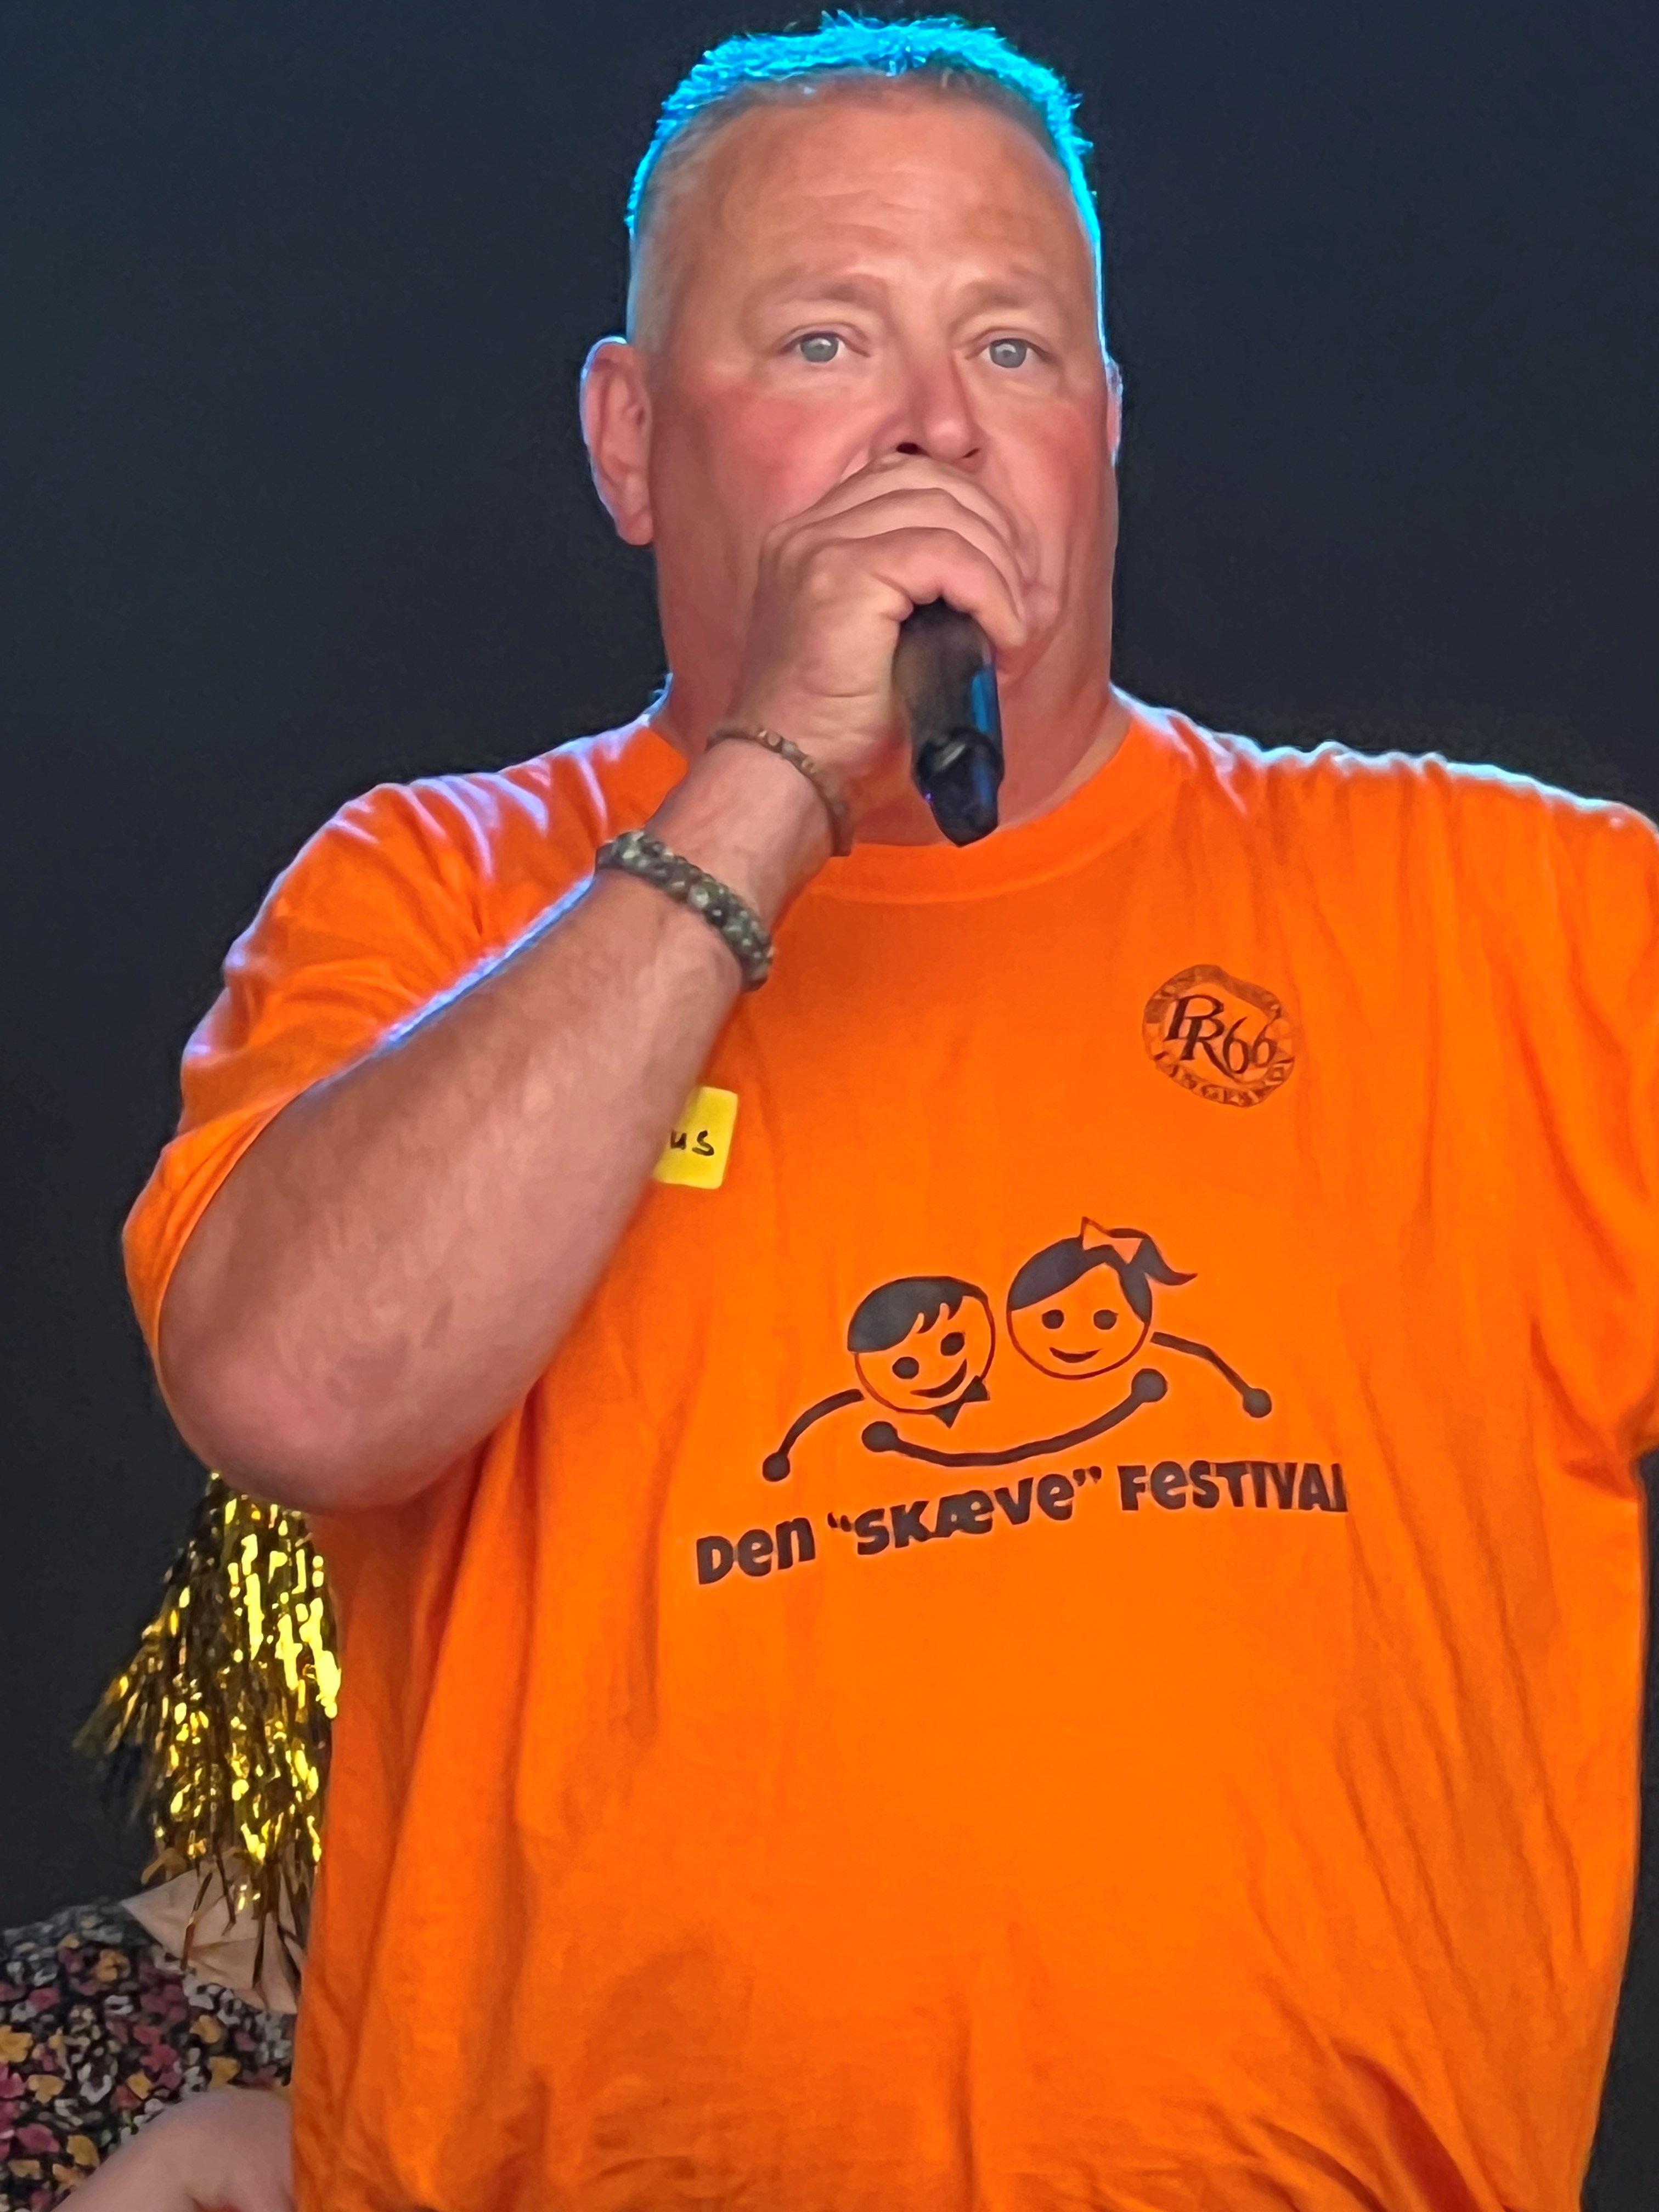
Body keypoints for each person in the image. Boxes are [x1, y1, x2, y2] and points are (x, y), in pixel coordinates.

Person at [121, 13, 1659, 2210]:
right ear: (632, 442)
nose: (939, 423)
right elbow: (295, 1385)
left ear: (1104, 432)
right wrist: (771, 785)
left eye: (1015, 348)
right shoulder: (431, 892)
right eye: (827, 341)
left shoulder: (1508, 923)